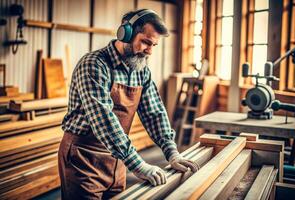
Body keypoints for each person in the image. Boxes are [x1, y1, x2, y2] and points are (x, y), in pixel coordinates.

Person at [58, 9, 199, 200]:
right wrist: (139, 165)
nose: (149, 51)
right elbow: (104, 122)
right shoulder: (94, 64)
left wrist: (172, 152)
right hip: (83, 158)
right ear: (125, 33)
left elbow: (154, 113)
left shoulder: (141, 70)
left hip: (117, 158)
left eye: (154, 45)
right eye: (146, 42)